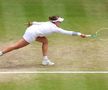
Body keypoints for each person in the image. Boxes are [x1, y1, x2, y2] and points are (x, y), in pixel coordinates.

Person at [0, 16, 87, 65]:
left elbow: (38, 23)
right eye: (59, 22)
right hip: (32, 33)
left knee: (45, 41)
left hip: (33, 30)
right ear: (55, 22)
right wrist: (80, 34)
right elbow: (67, 32)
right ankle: (1, 52)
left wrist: (32, 23)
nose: (60, 23)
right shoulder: (54, 28)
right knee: (16, 46)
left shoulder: (49, 23)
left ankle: (45, 60)